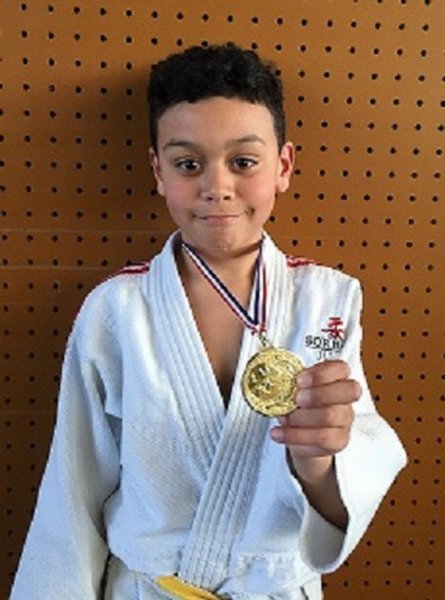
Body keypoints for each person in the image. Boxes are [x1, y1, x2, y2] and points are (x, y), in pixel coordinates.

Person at [11, 43, 407, 600]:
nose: (216, 186)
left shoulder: (329, 299)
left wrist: (317, 462)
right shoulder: (115, 311)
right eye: (188, 164)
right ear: (158, 170)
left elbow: (348, 484)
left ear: (283, 166)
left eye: (243, 162)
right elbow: (73, 491)